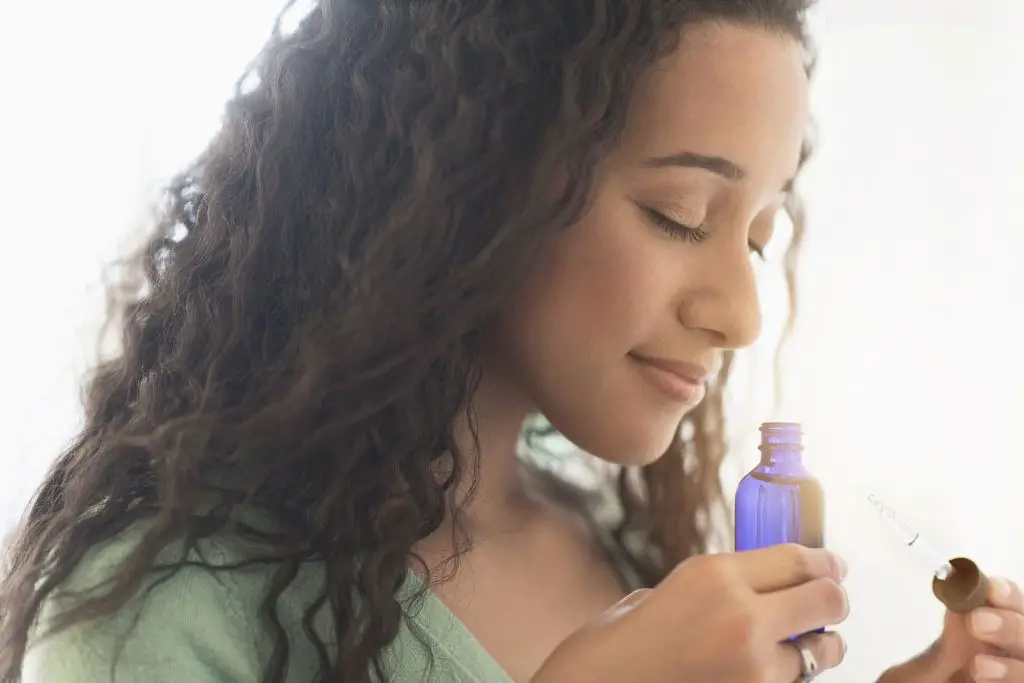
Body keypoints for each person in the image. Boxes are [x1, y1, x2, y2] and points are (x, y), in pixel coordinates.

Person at [1, 1, 1022, 682]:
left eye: (759, 234)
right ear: (469, 186)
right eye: (678, 213)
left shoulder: (616, 542)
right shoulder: (161, 616)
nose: (741, 312)